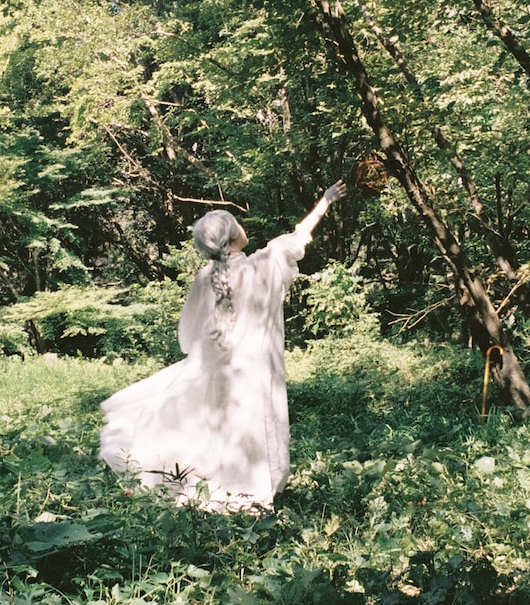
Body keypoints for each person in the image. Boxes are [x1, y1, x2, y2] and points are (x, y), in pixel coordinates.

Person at [99, 180, 347, 511]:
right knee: (249, 429)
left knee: (211, 431)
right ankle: (248, 490)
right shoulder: (261, 266)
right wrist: (325, 201)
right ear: (232, 237)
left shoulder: (206, 277)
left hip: (211, 367)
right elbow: (297, 237)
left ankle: (213, 487)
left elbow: (188, 332)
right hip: (253, 371)